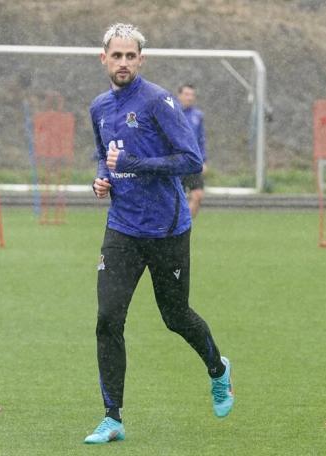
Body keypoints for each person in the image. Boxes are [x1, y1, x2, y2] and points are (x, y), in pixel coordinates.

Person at [84, 24, 233, 444]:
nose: (124, 62)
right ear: (104, 58)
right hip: (122, 229)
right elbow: (105, 157)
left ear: (141, 59)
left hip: (167, 228)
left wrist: (135, 163)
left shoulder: (159, 101)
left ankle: (218, 370)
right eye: (117, 56)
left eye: (131, 56)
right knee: (107, 319)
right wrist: (102, 180)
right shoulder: (98, 106)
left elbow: (191, 159)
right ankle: (112, 418)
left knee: (175, 317)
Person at [177, 83, 207, 218]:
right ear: (179, 96)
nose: (189, 98)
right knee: (177, 198)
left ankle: (186, 224)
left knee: (198, 195)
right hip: (176, 161)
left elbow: (201, 139)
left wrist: (204, 160)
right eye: (186, 94)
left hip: (193, 161)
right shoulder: (172, 113)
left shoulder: (198, 115)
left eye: (192, 95)